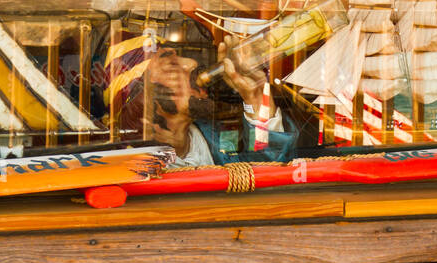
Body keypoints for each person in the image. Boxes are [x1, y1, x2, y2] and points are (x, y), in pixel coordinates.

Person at [106, 32, 299, 165]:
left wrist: (256, 99)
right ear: (141, 99)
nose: (192, 63)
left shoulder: (217, 136)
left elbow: (268, 170)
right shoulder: (128, 165)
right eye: (171, 64)